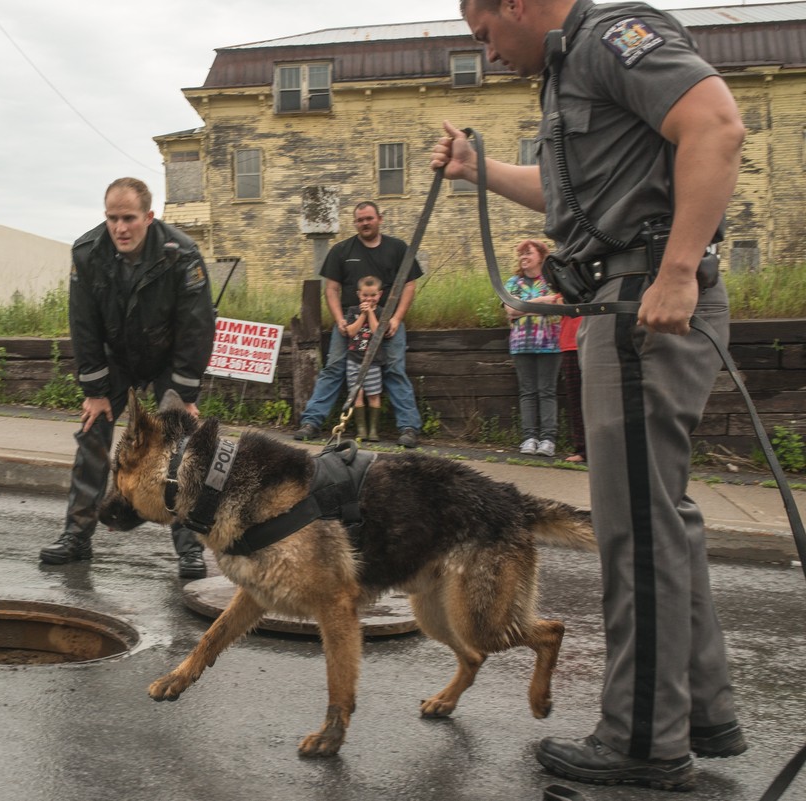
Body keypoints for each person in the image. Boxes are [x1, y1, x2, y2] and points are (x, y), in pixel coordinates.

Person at [432, 0, 746, 791]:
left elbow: (715, 125)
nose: (485, 52)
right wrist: (480, 170)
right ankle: (700, 710)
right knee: (660, 520)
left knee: (637, 530)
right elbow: (578, 193)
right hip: (624, 298)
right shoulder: (572, 66)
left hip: (644, 302)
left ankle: (643, 739)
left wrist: (676, 270)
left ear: (517, 4)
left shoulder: (613, 38)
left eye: (483, 34)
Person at [39, 177, 215, 579]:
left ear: (149, 217)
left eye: (129, 218)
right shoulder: (87, 253)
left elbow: (198, 326)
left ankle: (190, 549)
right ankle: (77, 537)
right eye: (112, 218)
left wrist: (184, 391)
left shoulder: (182, 254)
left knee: (180, 448)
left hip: (168, 357)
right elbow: (82, 325)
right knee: (92, 436)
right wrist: (96, 392)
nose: (120, 228)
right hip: (115, 357)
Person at [293, 201, 424, 448]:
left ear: (379, 219)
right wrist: (339, 319)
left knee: (395, 369)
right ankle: (311, 421)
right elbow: (331, 289)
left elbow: (409, 285)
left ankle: (408, 427)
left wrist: (397, 318)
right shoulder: (341, 251)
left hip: (386, 323)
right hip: (350, 324)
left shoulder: (397, 248)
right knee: (333, 368)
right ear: (355, 223)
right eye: (360, 220)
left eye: (369, 218)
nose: (365, 223)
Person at [505, 239, 562, 457]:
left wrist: (526, 306)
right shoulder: (512, 283)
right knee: (527, 392)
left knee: (547, 391)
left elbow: (559, 304)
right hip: (521, 345)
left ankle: (548, 439)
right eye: (521, 254)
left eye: (528, 252)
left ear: (541, 255)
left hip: (550, 344)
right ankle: (529, 438)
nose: (523, 257)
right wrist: (541, 304)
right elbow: (511, 310)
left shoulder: (553, 280)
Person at [343, 276, 388, 441]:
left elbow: (378, 333)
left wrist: (370, 313)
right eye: (365, 296)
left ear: (380, 294)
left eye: (373, 295)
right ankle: (361, 430)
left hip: (373, 362)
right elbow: (351, 332)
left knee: (374, 395)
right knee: (357, 394)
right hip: (354, 359)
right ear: (358, 294)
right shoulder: (353, 311)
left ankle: (373, 431)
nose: (369, 299)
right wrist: (362, 314)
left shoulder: (382, 312)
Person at [559, 313, 587, 463]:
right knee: (576, 400)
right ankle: (582, 450)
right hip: (570, 344)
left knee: (600, 400)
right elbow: (560, 301)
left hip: (593, 340)